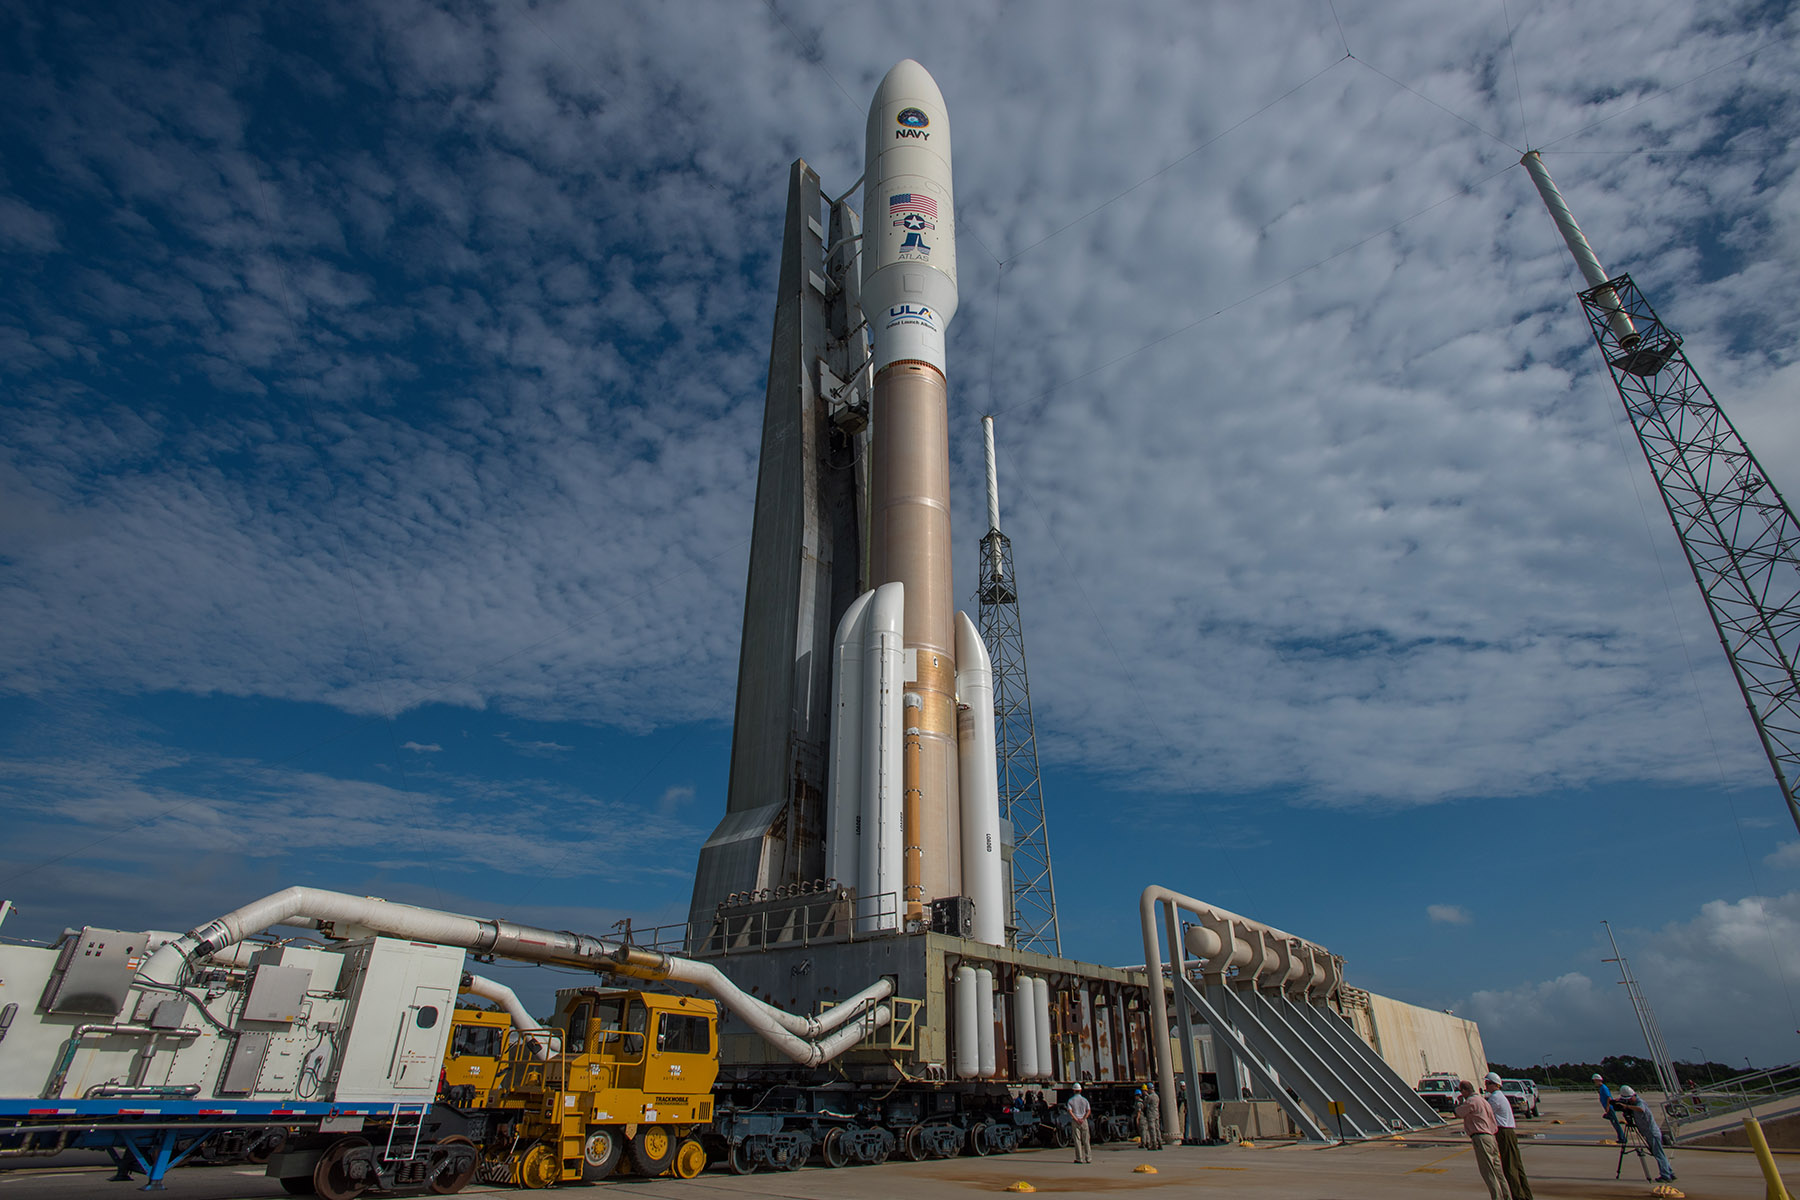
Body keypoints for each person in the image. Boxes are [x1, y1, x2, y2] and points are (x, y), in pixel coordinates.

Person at [1454, 1079, 1513, 1200]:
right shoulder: (1484, 1101)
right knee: (1498, 1172)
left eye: (1461, 1091)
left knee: (1488, 1172)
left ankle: (1496, 1197)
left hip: (1480, 1137)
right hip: (1491, 1136)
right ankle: (1507, 1196)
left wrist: (1459, 1102)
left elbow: (1458, 1113)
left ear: (1465, 1090)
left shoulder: (1471, 1102)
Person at [1483, 1072, 1533, 1200]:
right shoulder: (1500, 1096)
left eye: (1487, 1083)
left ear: (1494, 1085)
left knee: (1509, 1167)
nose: (1486, 1086)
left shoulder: (1495, 1098)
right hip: (1509, 1131)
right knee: (1517, 1166)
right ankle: (1526, 1195)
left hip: (1504, 1132)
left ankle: (1518, 1196)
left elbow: (1486, 1113)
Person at [1614, 1086, 1676, 1182]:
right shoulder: (1633, 1102)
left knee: (1658, 1154)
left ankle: (1666, 1175)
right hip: (1648, 1133)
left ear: (1633, 1095)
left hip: (1652, 1132)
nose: (1629, 1101)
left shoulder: (1640, 1102)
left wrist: (1627, 1107)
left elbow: (1641, 1109)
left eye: (1629, 1099)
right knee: (1659, 1153)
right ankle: (1669, 1172)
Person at [1593, 1073, 1627, 1145]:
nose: (1594, 1082)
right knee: (1614, 1123)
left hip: (1610, 1108)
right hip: (1608, 1107)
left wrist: (1607, 1107)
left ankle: (1622, 1138)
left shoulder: (1604, 1088)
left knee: (1615, 1123)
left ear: (1598, 1080)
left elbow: (1608, 1097)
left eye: (1595, 1081)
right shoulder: (1601, 1088)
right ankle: (1621, 1137)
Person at [1066, 1083, 1092, 1164]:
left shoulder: (1070, 1101)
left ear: (1073, 1091)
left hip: (1075, 1121)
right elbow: (1088, 1111)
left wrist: (1076, 1119)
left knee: (1077, 1140)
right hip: (1083, 1121)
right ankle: (1088, 1158)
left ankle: (1079, 1158)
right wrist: (1083, 1119)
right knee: (1086, 1140)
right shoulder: (1085, 1100)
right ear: (1080, 1090)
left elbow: (1070, 1111)